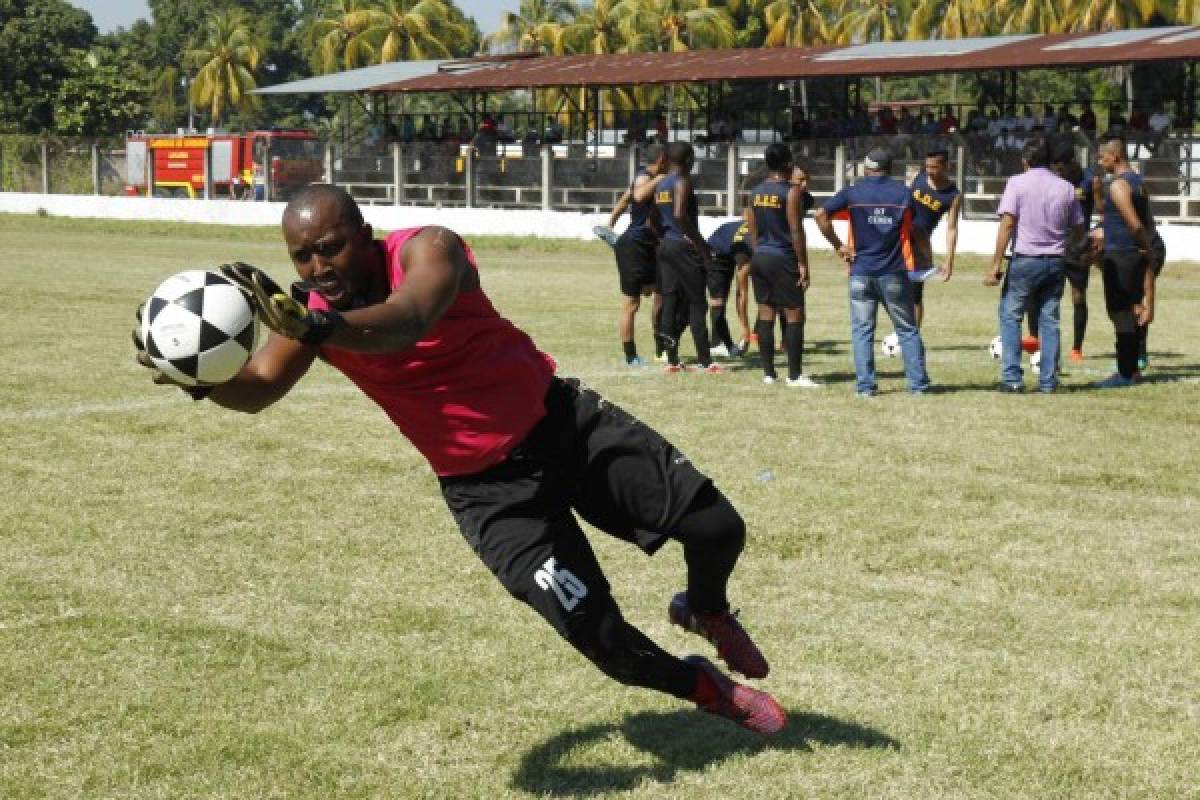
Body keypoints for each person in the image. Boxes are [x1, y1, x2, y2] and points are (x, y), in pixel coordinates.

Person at [131, 184, 786, 735]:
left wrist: (319, 328)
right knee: (605, 641)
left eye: (329, 246)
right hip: (492, 497)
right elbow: (259, 391)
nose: (317, 267)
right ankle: (704, 689)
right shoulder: (310, 313)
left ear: (365, 232)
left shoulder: (427, 248)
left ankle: (706, 608)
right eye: (301, 257)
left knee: (718, 527)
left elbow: (409, 317)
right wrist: (197, 378)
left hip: (562, 425)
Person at [814, 147, 931, 397]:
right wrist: (925, 259)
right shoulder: (903, 193)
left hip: (860, 271)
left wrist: (838, 246)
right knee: (907, 329)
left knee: (862, 331)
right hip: (893, 271)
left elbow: (821, 214)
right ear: (891, 168)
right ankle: (917, 385)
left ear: (866, 168)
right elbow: (918, 229)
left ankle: (865, 387)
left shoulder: (853, 192)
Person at [984, 139, 1085, 393]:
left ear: (1025, 161)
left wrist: (995, 263)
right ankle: (1049, 381)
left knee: (1011, 315)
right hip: (1055, 261)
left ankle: (1012, 378)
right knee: (1049, 320)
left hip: (1025, 259)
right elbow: (1079, 226)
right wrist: (1065, 247)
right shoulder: (1065, 188)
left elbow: (1007, 223)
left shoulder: (1017, 183)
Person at [642, 142, 721, 373]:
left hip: (666, 246)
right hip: (683, 247)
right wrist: (700, 244)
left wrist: (665, 238)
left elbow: (652, 221)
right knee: (697, 302)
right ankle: (706, 362)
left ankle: (672, 361)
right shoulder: (682, 181)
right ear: (688, 160)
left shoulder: (661, 184)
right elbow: (679, 214)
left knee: (670, 301)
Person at [745, 143, 818, 387]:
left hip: (760, 256)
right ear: (788, 164)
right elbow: (796, 230)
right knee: (794, 313)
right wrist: (803, 263)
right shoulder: (791, 192)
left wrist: (758, 253)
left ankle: (768, 373)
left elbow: (752, 229)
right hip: (783, 256)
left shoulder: (755, 192)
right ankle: (795, 376)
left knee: (766, 312)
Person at [1093, 133, 1161, 387]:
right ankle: (1131, 369)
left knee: (1119, 313)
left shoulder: (1119, 185)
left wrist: (1146, 247)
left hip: (1122, 254)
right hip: (1131, 254)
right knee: (1130, 311)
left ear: (1116, 156)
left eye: (1103, 156)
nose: (1100, 161)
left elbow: (1133, 223)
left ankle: (1124, 372)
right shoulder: (1139, 183)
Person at [603, 144, 668, 366]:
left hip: (650, 246)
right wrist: (659, 180)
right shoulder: (645, 178)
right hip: (634, 246)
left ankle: (661, 347)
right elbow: (638, 195)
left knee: (658, 294)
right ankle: (630, 356)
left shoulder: (653, 178)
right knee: (631, 303)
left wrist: (610, 223)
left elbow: (624, 200)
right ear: (662, 159)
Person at [1050, 140, 1100, 362]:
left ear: (1072, 163)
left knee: (1078, 297)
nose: (1058, 173)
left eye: (1061, 168)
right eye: (1055, 169)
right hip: (1054, 244)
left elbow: (1102, 211)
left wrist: (1096, 239)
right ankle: (1043, 342)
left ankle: (1077, 347)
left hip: (1079, 248)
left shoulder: (1090, 180)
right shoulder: (1054, 180)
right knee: (1049, 297)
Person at [907, 148, 962, 328]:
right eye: (928, 166)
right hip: (899, 239)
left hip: (919, 246)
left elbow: (951, 228)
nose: (930, 170)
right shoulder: (919, 177)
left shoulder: (953, 195)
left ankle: (913, 336)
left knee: (915, 293)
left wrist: (949, 260)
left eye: (935, 167)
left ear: (947, 166)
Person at [704, 219, 751, 360]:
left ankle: (717, 343)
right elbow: (741, 293)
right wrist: (745, 329)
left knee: (720, 299)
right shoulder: (746, 249)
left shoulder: (756, 233)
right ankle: (718, 344)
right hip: (715, 253)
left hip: (728, 250)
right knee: (717, 301)